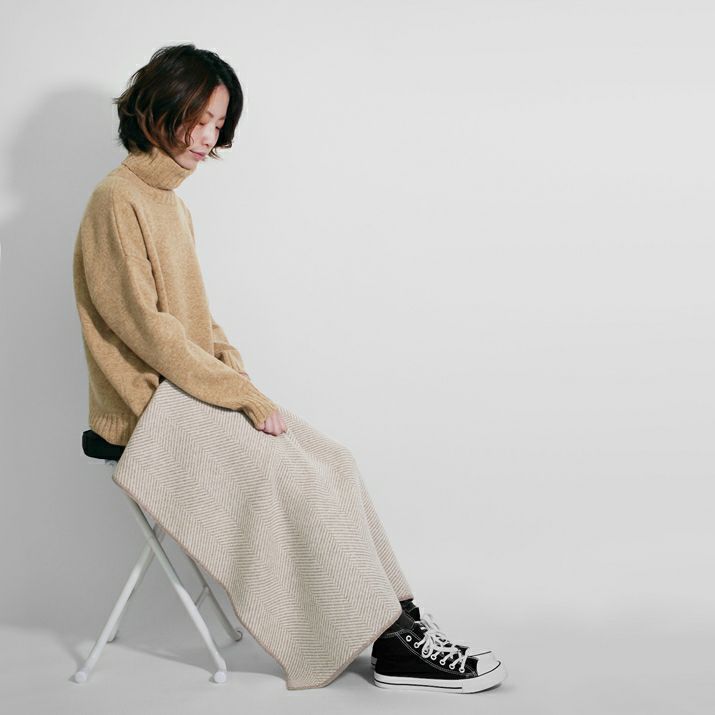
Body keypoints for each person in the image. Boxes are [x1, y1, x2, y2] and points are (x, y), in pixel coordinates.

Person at [72, 43, 507, 694]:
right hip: (145, 410)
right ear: (157, 110)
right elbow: (150, 331)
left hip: (188, 392)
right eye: (197, 118)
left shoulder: (172, 205)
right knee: (295, 477)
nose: (207, 137)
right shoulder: (117, 198)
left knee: (334, 462)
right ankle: (383, 639)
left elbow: (197, 320)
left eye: (218, 123)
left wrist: (238, 378)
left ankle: (400, 623)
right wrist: (239, 396)